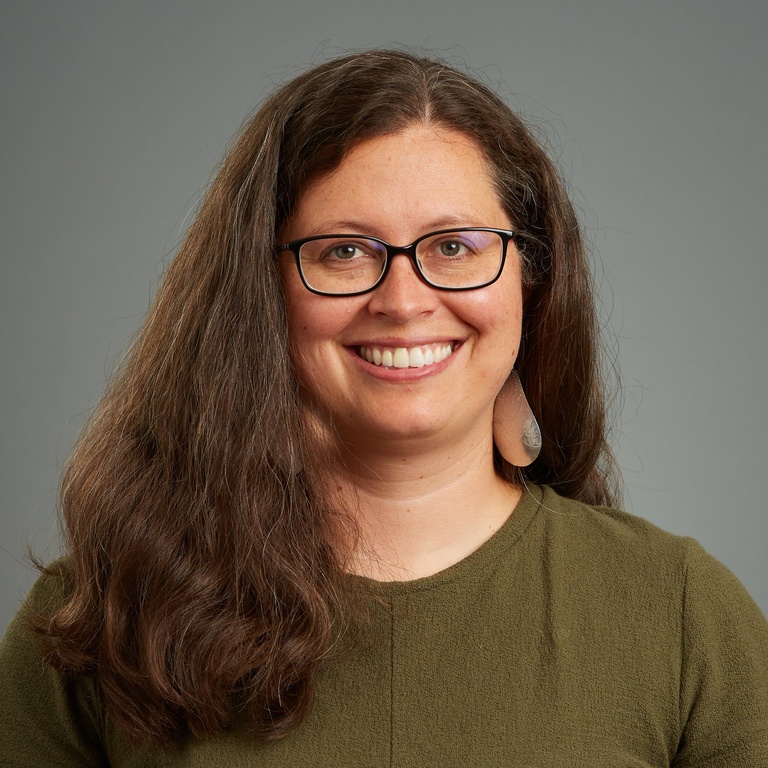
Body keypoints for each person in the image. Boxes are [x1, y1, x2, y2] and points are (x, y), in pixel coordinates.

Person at [1, 49, 766, 767]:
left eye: (456, 247)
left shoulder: (682, 614)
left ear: (531, 280)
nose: (404, 301)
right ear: (261, 293)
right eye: (344, 251)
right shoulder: (98, 616)